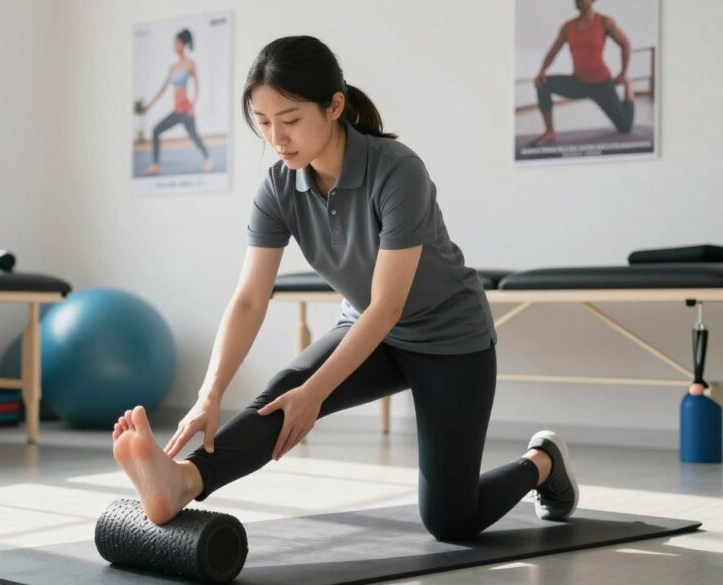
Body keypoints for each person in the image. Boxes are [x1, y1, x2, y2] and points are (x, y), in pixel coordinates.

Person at [113, 35, 579, 541]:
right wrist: (210, 394)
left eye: (290, 120)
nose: (277, 137)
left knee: (451, 520)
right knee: (283, 397)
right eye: (264, 122)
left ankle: (543, 463)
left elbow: (388, 304)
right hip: (369, 329)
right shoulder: (278, 187)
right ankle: (183, 481)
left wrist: (317, 392)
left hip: (450, 340)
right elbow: (250, 299)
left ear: (334, 106)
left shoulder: (397, 171)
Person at [531, 0, 635, 146]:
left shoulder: (605, 22)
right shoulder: (568, 27)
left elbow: (625, 44)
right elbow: (553, 51)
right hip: (579, 83)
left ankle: (629, 87)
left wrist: (623, 73)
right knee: (542, 84)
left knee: (624, 127)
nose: (578, 1)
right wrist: (542, 71)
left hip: (602, 85)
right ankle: (550, 132)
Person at [138, 29, 214, 175]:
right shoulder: (173, 67)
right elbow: (163, 88)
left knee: (194, 136)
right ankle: (155, 165)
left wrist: (193, 105)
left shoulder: (190, 63)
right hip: (176, 111)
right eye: (174, 42)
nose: (174, 45)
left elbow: (197, 85)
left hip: (186, 110)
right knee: (155, 130)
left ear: (183, 44)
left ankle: (208, 158)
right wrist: (149, 106)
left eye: (177, 42)